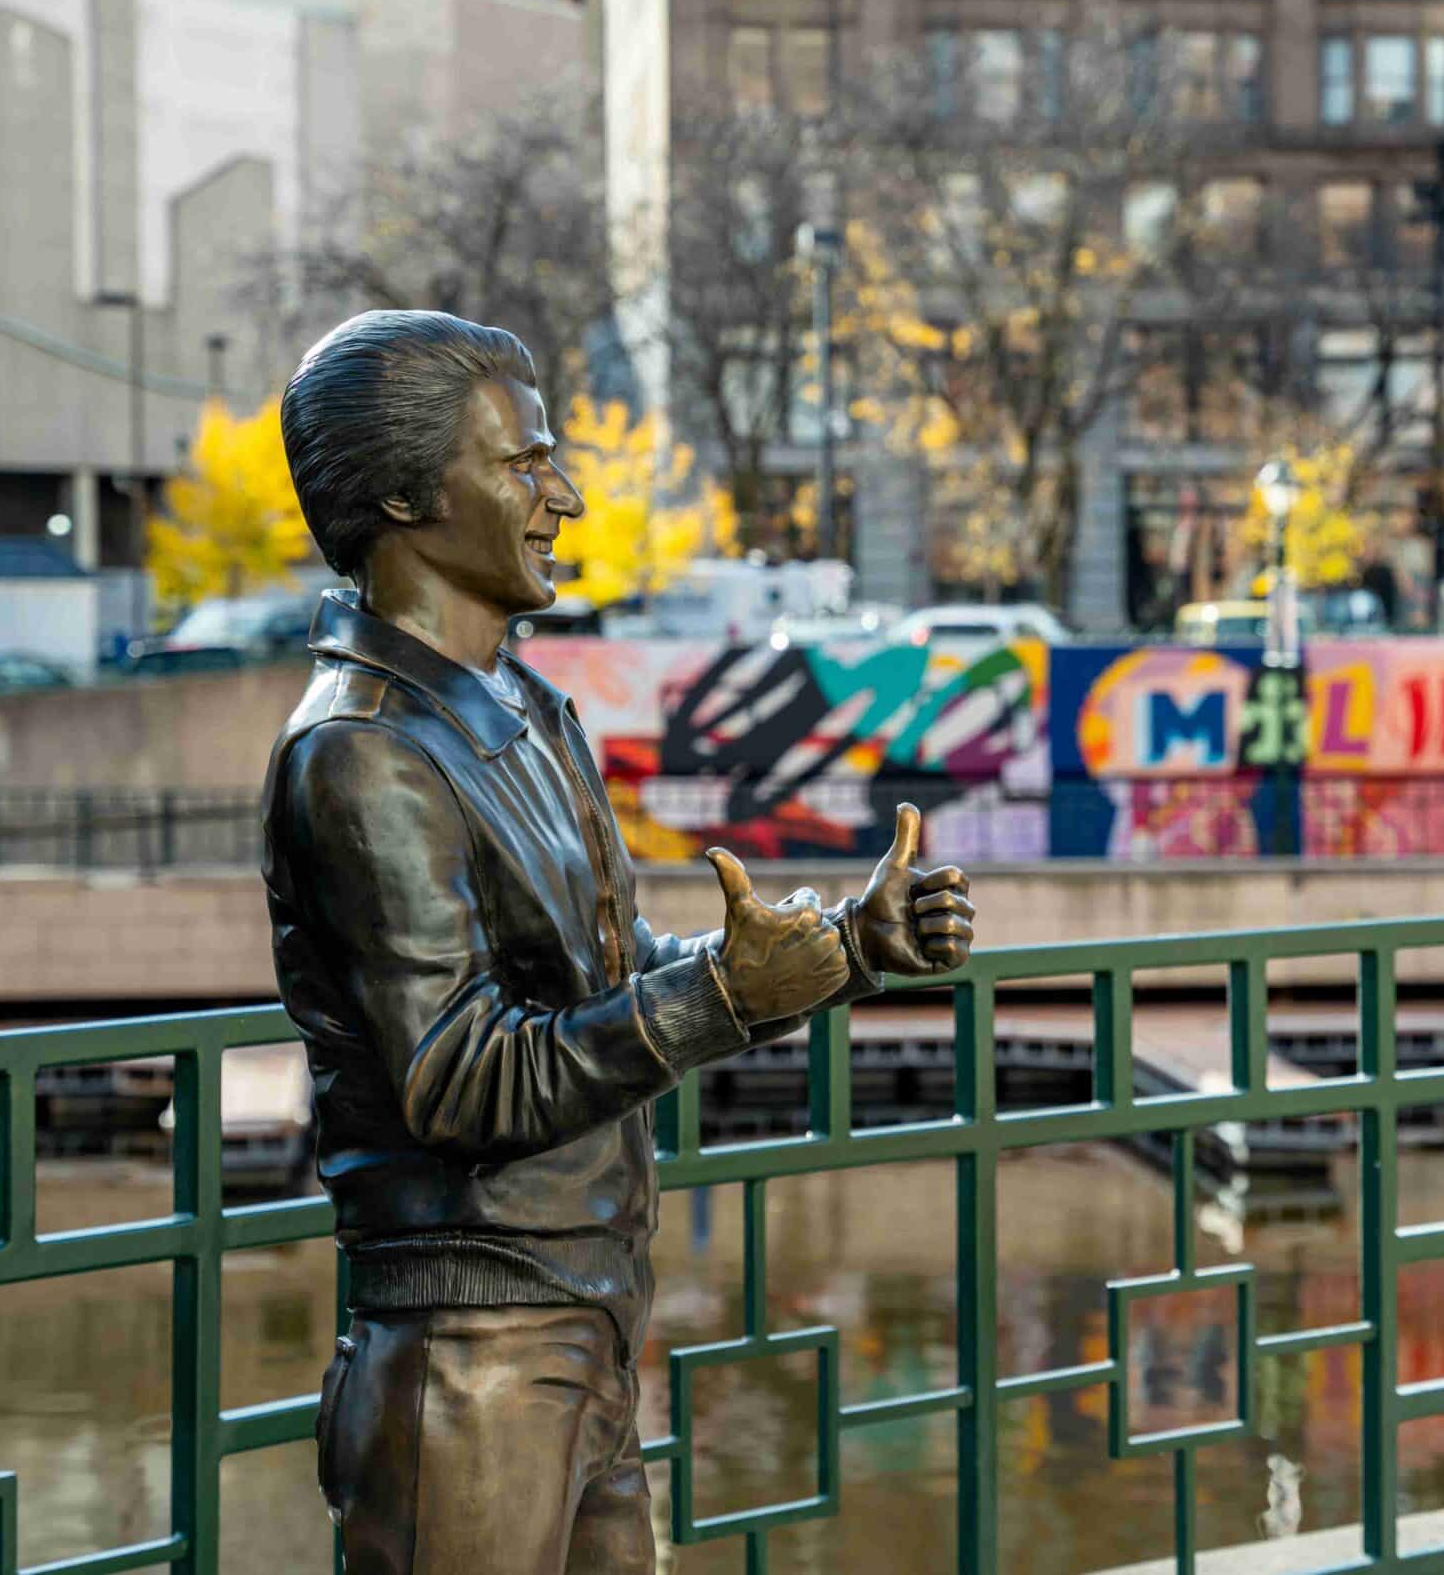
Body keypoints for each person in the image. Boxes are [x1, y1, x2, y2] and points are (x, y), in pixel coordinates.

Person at [260, 310, 975, 1575]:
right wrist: (715, 995)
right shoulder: (361, 751)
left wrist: (850, 950)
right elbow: (459, 1081)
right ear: (401, 497)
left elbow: (614, 970)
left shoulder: (521, 709)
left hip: (582, 1326)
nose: (565, 498)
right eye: (522, 465)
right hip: (469, 1361)